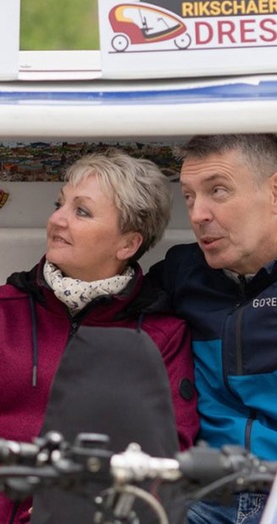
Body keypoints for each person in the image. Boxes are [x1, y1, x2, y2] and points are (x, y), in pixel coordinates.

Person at [0, 150, 199, 524]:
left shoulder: (162, 335)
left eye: (81, 211)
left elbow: (169, 451)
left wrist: (87, 505)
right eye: (60, 204)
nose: (57, 219)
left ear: (127, 244)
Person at [148, 134, 277, 524]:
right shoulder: (179, 273)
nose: (198, 214)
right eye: (188, 196)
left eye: (217, 191)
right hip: (199, 494)